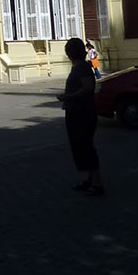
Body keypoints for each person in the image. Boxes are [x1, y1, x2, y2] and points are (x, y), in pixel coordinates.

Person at [57, 37, 104, 196]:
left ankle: (96, 182)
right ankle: (88, 179)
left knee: (85, 146)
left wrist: (68, 97)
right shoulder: (79, 67)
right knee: (80, 147)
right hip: (78, 112)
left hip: (82, 114)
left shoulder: (81, 68)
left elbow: (87, 88)